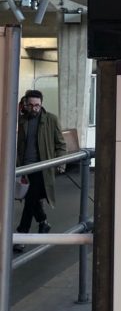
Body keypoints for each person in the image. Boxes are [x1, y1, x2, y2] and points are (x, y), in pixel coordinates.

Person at [14, 90, 66, 249]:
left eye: (37, 105)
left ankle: (21, 235)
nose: (34, 108)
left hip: (42, 168)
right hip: (25, 168)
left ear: (41, 104)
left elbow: (61, 144)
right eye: (30, 105)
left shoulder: (51, 119)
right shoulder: (22, 121)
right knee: (33, 199)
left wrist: (61, 162)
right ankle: (43, 222)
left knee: (29, 201)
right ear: (25, 104)